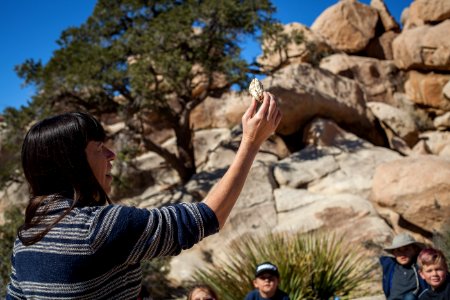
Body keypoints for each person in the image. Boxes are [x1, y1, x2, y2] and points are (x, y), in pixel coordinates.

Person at [6, 92, 282, 299]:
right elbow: (208, 217)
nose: (111, 155)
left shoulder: (26, 238)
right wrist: (250, 142)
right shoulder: (100, 228)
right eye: (100, 147)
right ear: (72, 162)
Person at [380, 232, 429, 300]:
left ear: (415, 250)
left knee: (409, 297)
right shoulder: (390, 267)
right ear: (394, 253)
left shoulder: (421, 265)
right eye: (398, 250)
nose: (402, 254)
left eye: (406, 249)